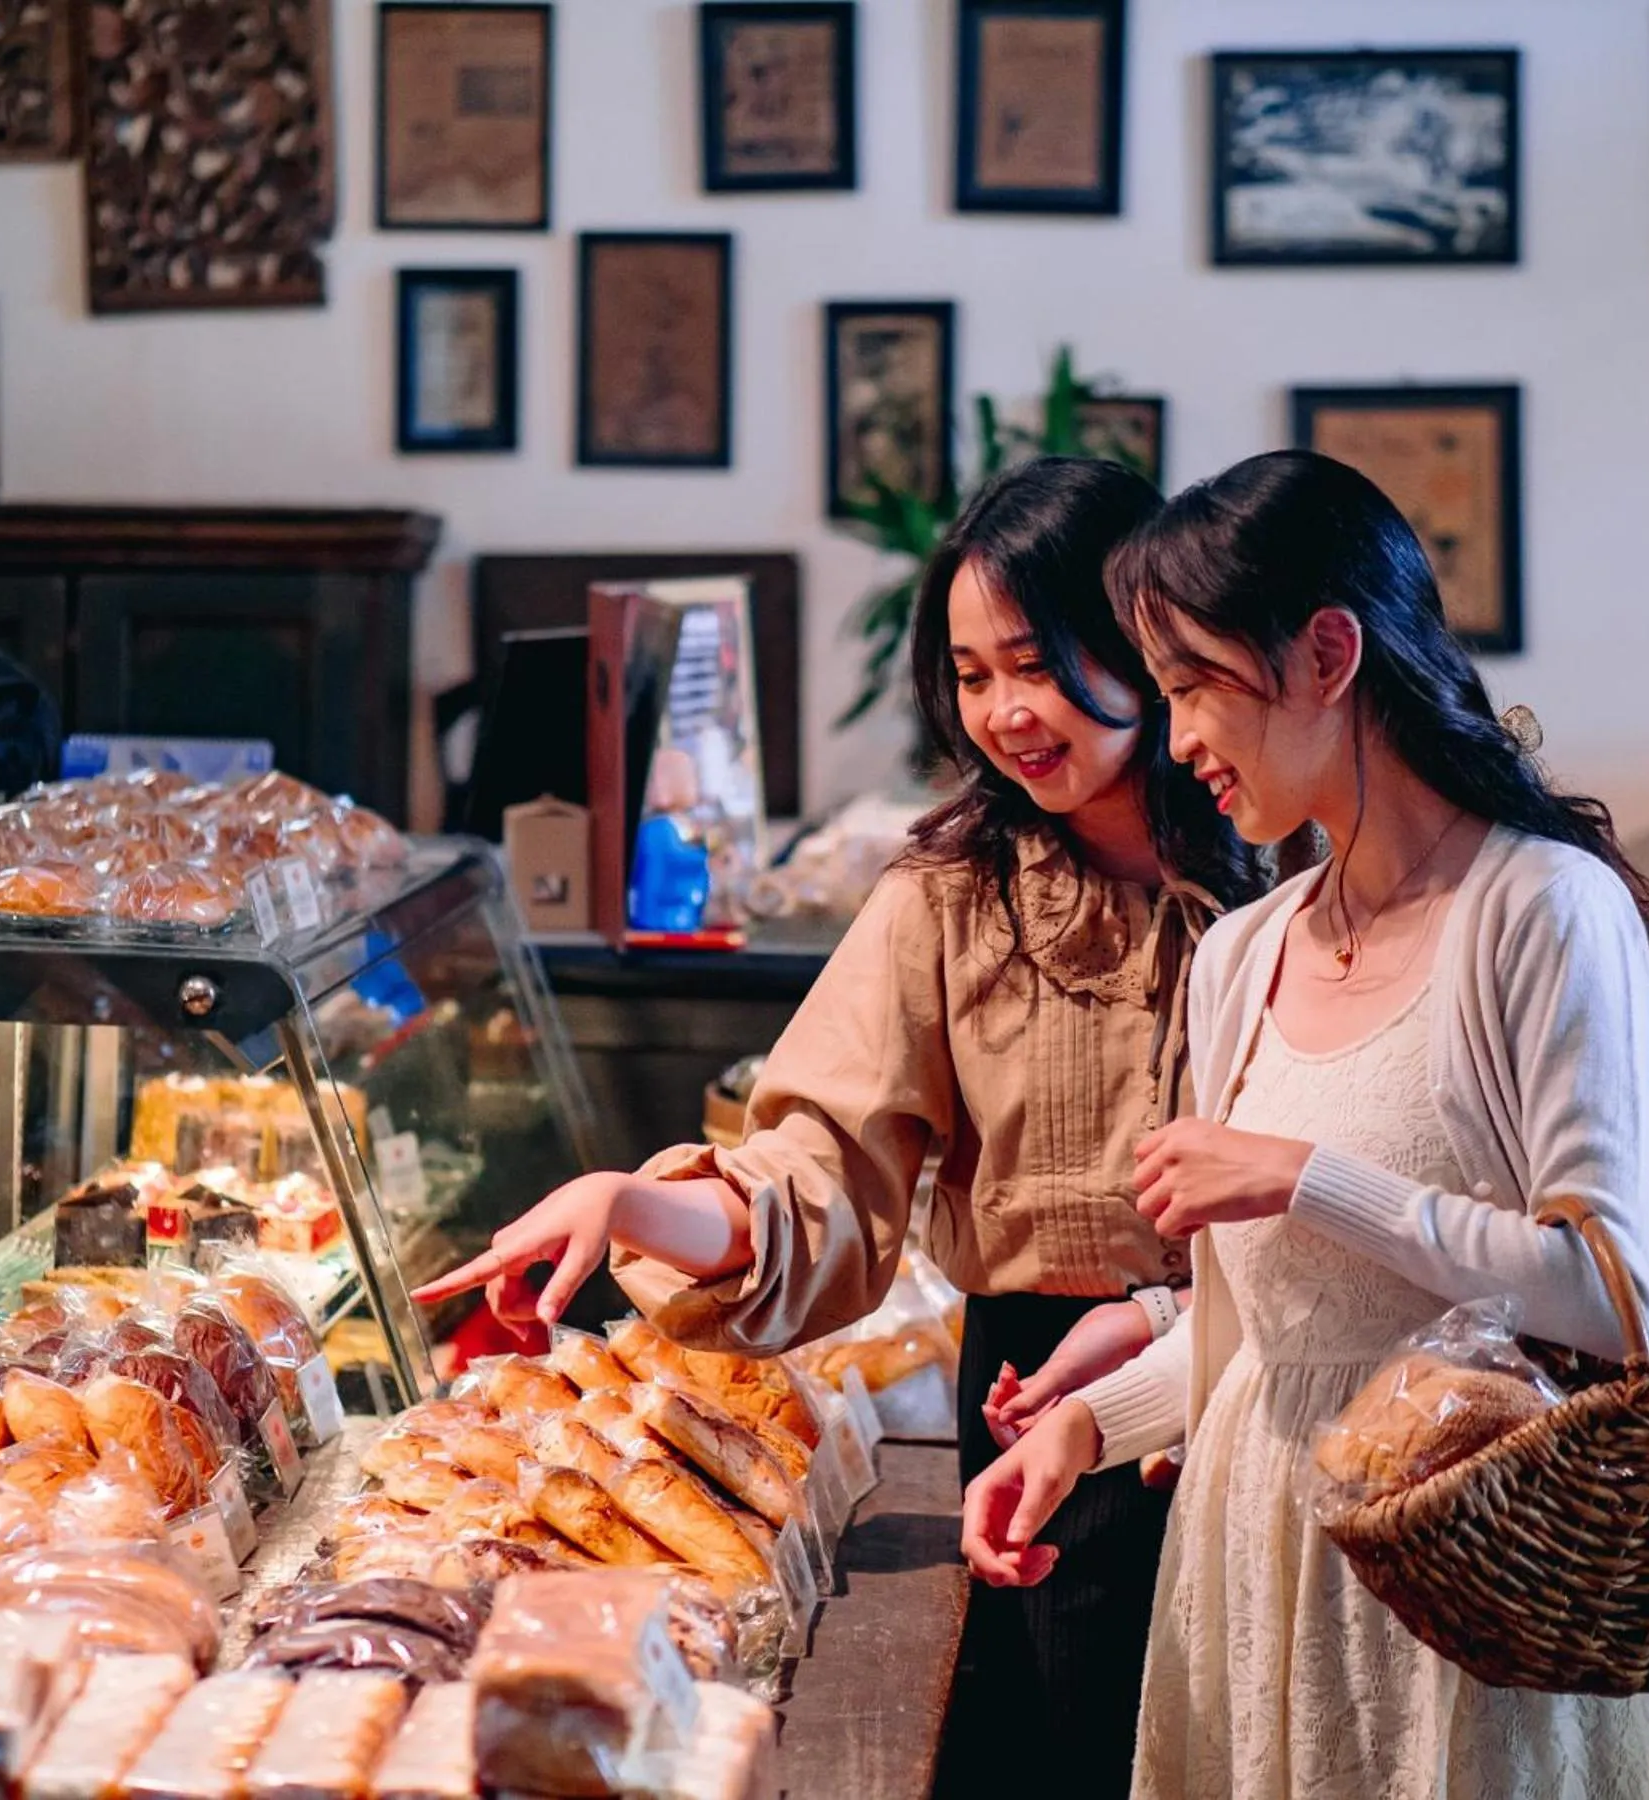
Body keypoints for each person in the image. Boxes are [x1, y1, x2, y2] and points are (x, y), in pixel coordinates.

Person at [413, 457, 1264, 1796]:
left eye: (1035, 662)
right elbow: (815, 1176)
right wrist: (634, 1201)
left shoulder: (1287, 861)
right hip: (1043, 1398)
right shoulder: (951, 899)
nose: (1005, 713)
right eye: (973, 676)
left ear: (1145, 643)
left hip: (1278, 1389)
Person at [962, 450, 1649, 1799]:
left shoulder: (1539, 910)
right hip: (1251, 1566)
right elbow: (1272, 1338)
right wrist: (1087, 1431)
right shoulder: (1242, 953)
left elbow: (1612, 1294)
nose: (1178, 735)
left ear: (1325, 653)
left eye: (1192, 683)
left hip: (1462, 1588)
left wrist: (1308, 1175)